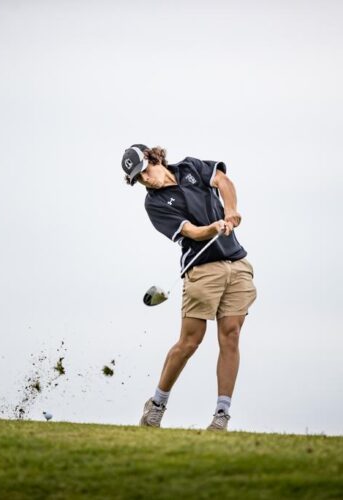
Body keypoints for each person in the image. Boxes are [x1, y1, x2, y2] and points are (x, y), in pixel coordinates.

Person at [121, 144, 257, 431]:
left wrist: (231, 210)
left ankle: (221, 415)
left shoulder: (191, 167)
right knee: (190, 342)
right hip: (201, 269)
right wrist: (213, 227)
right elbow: (191, 232)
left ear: (154, 158)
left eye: (144, 172)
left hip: (237, 263)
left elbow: (223, 181)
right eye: (138, 179)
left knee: (230, 335)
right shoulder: (154, 204)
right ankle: (157, 404)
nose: (145, 180)